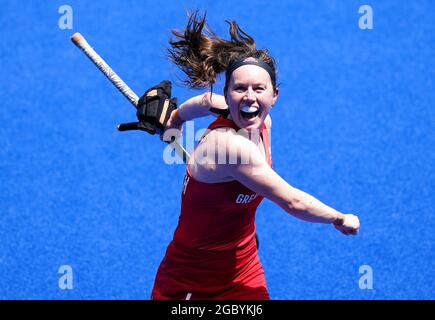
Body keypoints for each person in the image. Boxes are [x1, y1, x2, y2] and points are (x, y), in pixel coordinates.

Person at [149, 12, 360, 300]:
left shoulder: (255, 121)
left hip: (242, 264)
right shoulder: (231, 147)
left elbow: (206, 101)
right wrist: (338, 218)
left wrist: (175, 120)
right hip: (192, 276)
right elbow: (293, 201)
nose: (249, 97)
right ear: (228, 93)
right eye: (239, 89)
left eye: (259, 89)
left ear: (275, 95)